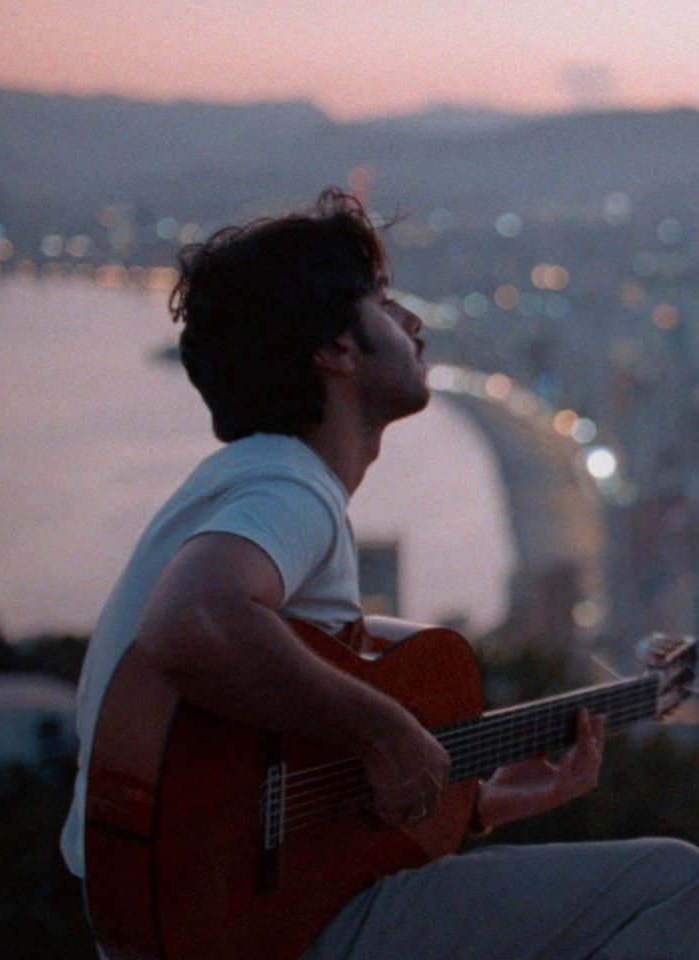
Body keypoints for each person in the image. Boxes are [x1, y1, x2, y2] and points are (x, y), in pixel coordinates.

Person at [61, 189, 699, 959]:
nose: (412, 323)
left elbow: (272, 790)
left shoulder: (235, 484)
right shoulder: (290, 487)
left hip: (204, 927)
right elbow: (191, 623)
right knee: (676, 885)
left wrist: (478, 807)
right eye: (384, 304)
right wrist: (388, 731)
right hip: (273, 939)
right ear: (334, 350)